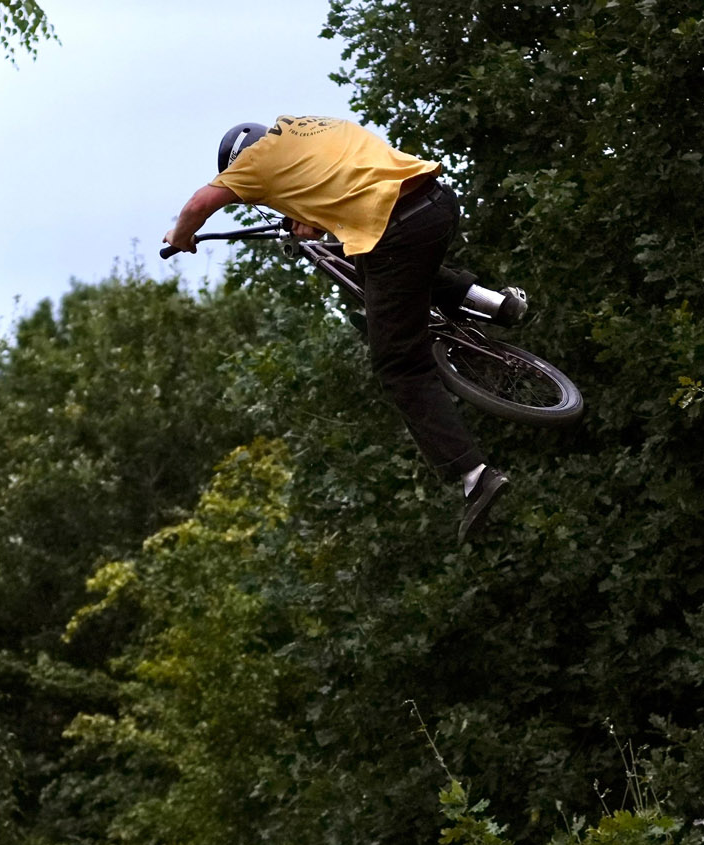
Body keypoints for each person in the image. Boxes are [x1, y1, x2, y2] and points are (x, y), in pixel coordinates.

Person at [164, 117, 525, 541]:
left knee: (398, 365)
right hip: (437, 203)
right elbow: (343, 179)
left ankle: (474, 474)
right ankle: (495, 304)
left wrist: (183, 234)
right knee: (391, 273)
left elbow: (197, 206)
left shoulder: (253, 163)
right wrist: (311, 218)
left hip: (398, 232)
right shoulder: (308, 126)